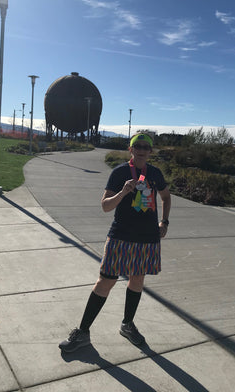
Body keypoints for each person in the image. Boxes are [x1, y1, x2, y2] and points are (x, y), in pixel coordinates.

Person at [59, 133, 171, 353]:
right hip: (121, 236)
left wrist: (164, 222)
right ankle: (82, 332)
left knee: (137, 280)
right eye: (137, 146)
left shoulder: (155, 174)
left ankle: (127, 324)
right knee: (105, 282)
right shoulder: (120, 172)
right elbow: (105, 206)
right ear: (130, 149)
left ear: (151, 151)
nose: (141, 150)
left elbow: (166, 197)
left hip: (147, 238)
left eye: (145, 147)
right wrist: (123, 192)